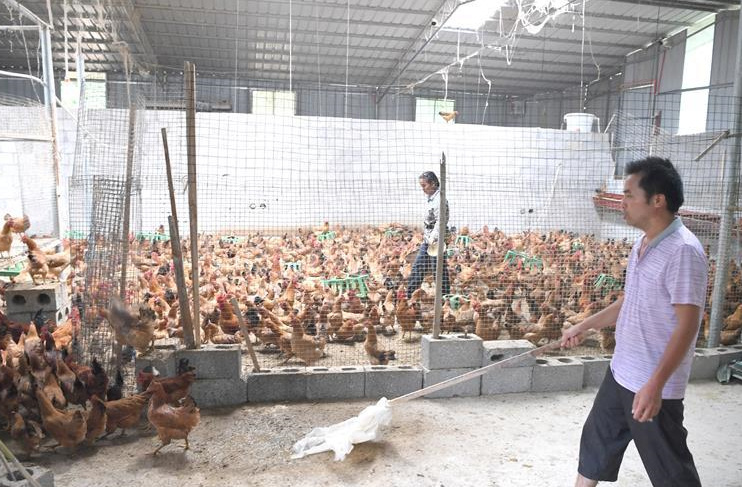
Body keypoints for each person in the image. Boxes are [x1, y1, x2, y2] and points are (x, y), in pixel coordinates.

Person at [561, 156, 707, 487]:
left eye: (628, 194)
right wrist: (583, 326)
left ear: (658, 201)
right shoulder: (643, 244)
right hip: (621, 372)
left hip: (651, 383)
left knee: (671, 472)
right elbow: (628, 302)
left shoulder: (684, 251)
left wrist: (656, 385)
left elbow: (688, 326)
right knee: (595, 447)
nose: (621, 202)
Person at [407, 171, 451, 299]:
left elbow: (441, 221)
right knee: (418, 267)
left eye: (424, 185)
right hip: (428, 240)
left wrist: (433, 238)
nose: (423, 189)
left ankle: (444, 299)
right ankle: (409, 298)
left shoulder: (440, 200)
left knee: (438, 270)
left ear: (433, 183)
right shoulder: (430, 199)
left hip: (437, 240)